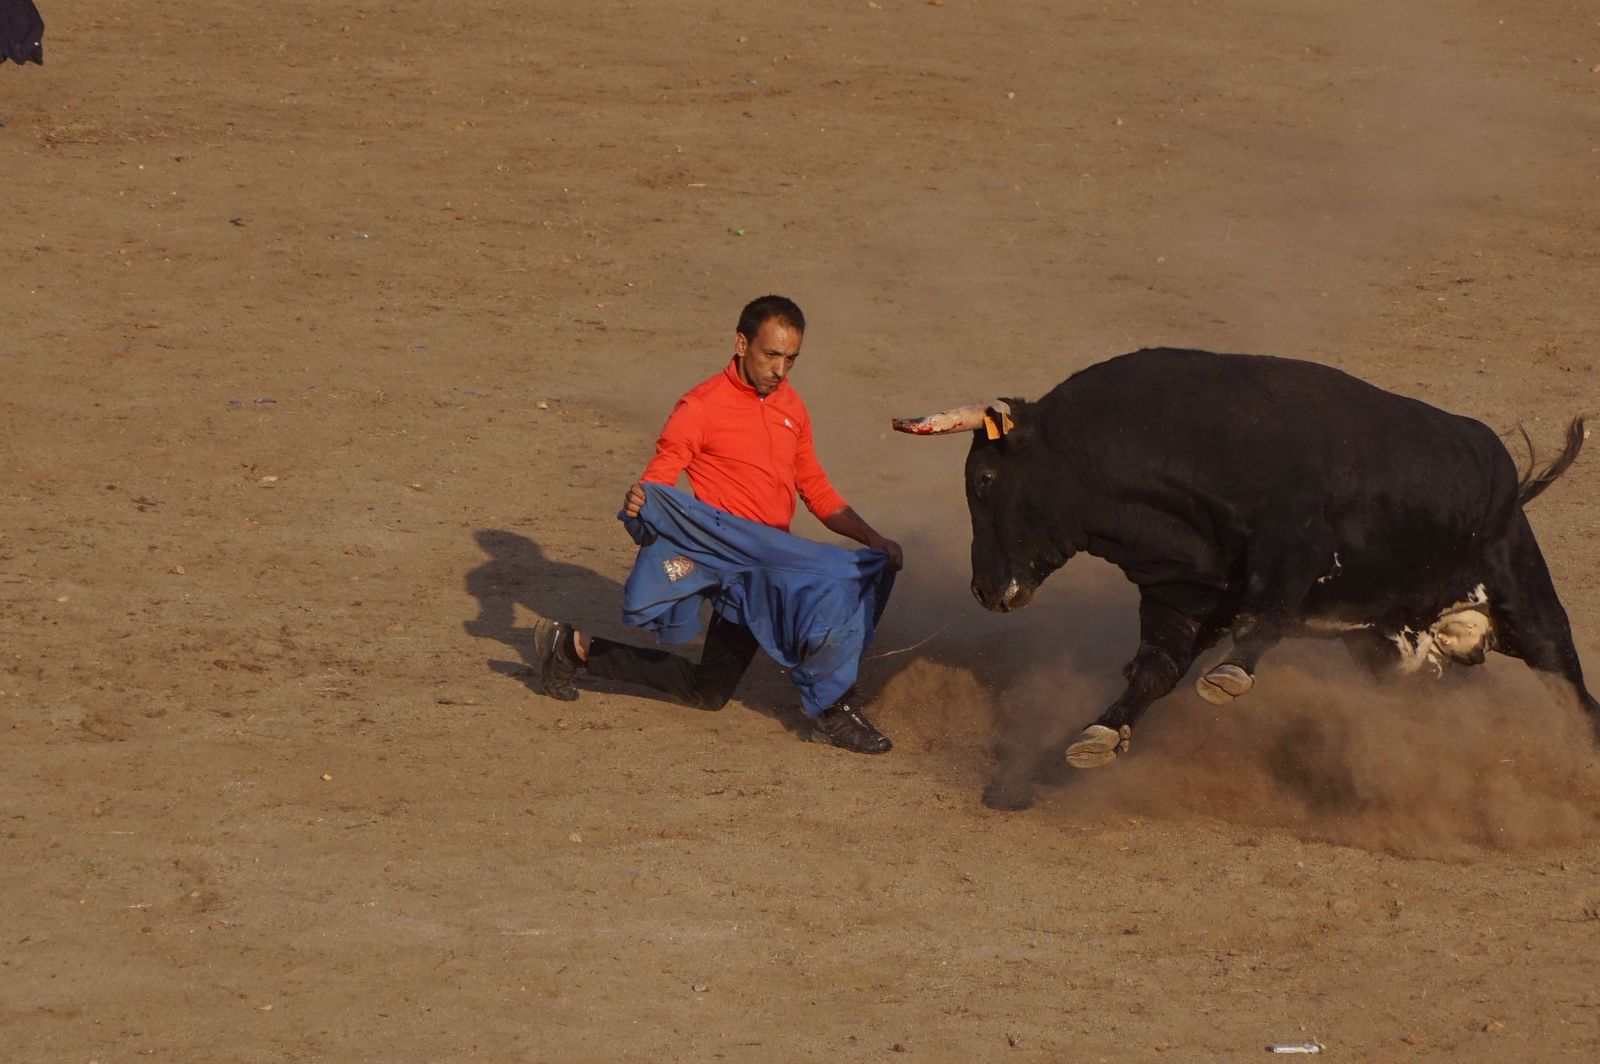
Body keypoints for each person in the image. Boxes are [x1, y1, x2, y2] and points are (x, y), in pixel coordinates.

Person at [533, 295, 904, 754]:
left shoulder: (792, 407)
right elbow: (661, 475)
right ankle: (835, 713)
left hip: (772, 556)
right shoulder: (701, 406)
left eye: (791, 358)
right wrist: (644, 500)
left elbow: (814, 487)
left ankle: (572, 648)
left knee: (708, 691)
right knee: (833, 588)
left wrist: (873, 538)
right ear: (741, 344)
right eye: (771, 355)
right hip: (727, 558)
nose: (780, 370)